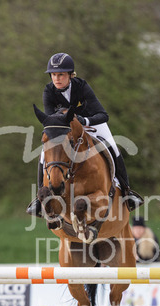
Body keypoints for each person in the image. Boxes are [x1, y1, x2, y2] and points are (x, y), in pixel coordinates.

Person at [27, 52, 143, 217]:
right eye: (53, 75)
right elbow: (51, 120)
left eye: (61, 74)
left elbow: (103, 115)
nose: (56, 79)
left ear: (70, 75)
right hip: (63, 129)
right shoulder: (48, 90)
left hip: (91, 123)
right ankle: (40, 197)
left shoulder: (81, 86)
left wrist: (84, 120)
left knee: (112, 146)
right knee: (44, 153)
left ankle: (127, 191)